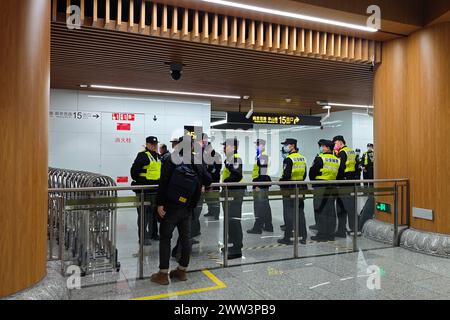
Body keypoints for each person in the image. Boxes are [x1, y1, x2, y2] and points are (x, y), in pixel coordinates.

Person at [150, 135, 212, 285]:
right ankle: (182, 270)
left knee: (165, 238)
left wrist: (159, 204)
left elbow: (163, 182)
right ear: (191, 147)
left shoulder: (172, 158)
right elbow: (208, 180)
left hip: (170, 207)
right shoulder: (197, 160)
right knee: (186, 239)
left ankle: (163, 274)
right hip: (188, 207)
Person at [130, 136, 161, 246]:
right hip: (145, 191)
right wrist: (143, 181)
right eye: (151, 144)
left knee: (154, 214)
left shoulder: (158, 156)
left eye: (155, 144)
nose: (154, 145)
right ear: (147, 144)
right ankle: (143, 237)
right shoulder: (142, 155)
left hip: (155, 190)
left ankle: (154, 234)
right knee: (144, 215)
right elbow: (134, 172)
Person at [309, 140, 340, 242]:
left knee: (320, 209)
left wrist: (314, 182)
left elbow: (312, 172)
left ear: (327, 147)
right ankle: (330, 234)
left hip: (320, 187)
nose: (321, 148)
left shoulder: (320, 158)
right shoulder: (336, 159)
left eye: (322, 146)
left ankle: (321, 234)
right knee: (331, 211)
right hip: (333, 187)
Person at [278, 138, 308, 245]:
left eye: (286, 145)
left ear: (292, 146)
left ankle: (288, 237)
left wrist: (280, 182)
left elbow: (286, 176)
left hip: (289, 188)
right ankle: (303, 236)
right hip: (300, 187)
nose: (285, 147)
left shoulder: (289, 159)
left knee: (288, 213)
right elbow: (304, 175)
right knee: (300, 212)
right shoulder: (302, 158)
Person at [221, 138, 245, 260]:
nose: (223, 148)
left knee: (234, 221)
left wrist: (225, 182)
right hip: (230, 193)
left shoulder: (235, 158)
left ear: (233, 147)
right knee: (230, 220)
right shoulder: (230, 159)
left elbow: (236, 175)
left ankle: (236, 249)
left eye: (225, 146)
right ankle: (232, 245)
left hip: (234, 193)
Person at [333, 135, 358, 237]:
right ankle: (350, 229)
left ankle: (345, 230)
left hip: (343, 182)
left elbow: (340, 167)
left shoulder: (342, 153)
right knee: (349, 206)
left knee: (343, 207)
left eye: (335, 143)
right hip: (351, 181)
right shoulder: (351, 151)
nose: (334, 145)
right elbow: (356, 166)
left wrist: (336, 179)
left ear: (340, 142)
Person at [247, 139, 273, 234]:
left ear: (262, 146)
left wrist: (257, 184)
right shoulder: (260, 156)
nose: (256, 147)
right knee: (265, 205)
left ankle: (257, 227)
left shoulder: (263, 156)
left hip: (260, 183)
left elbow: (262, 172)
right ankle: (268, 225)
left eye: (258, 145)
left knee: (259, 206)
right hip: (262, 183)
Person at [203, 138, 223, 220]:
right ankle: (210, 211)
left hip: (214, 180)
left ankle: (216, 214)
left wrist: (210, 172)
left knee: (215, 198)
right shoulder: (206, 156)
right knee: (208, 197)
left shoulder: (217, 156)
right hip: (208, 180)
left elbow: (217, 168)